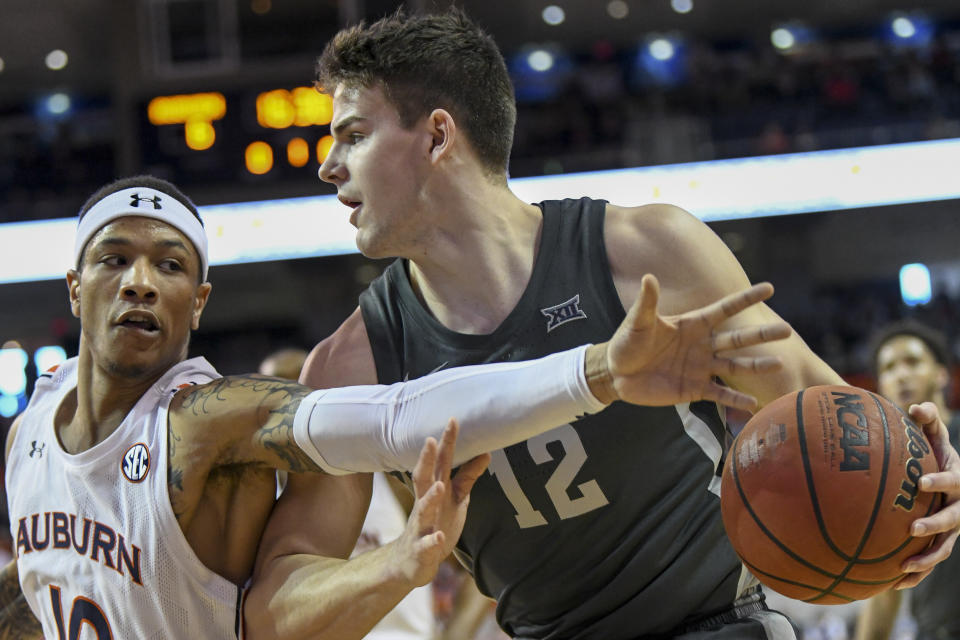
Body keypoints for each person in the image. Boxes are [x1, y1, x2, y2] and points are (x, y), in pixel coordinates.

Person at [297, 9, 960, 639]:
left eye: (353, 134)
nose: (328, 165)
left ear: (439, 136)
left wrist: (923, 481)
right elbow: (276, 609)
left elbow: (827, 414)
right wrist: (396, 565)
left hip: (715, 624)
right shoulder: (348, 368)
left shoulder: (644, 252)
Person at [0, 175, 791, 639]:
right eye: (115, 259)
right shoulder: (26, 438)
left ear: (197, 301)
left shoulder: (209, 417)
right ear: (75, 286)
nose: (140, 280)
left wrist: (596, 373)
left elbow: (395, 416)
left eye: (168, 265)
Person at [259, 347, 437, 640]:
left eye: (297, 390)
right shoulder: (257, 495)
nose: (288, 406)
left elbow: (464, 564)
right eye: (275, 392)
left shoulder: (385, 475)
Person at [855, 320, 960, 640]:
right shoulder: (883, 471)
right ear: (880, 387)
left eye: (913, 362)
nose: (901, 374)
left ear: (941, 374)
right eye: (889, 368)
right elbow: (886, 589)